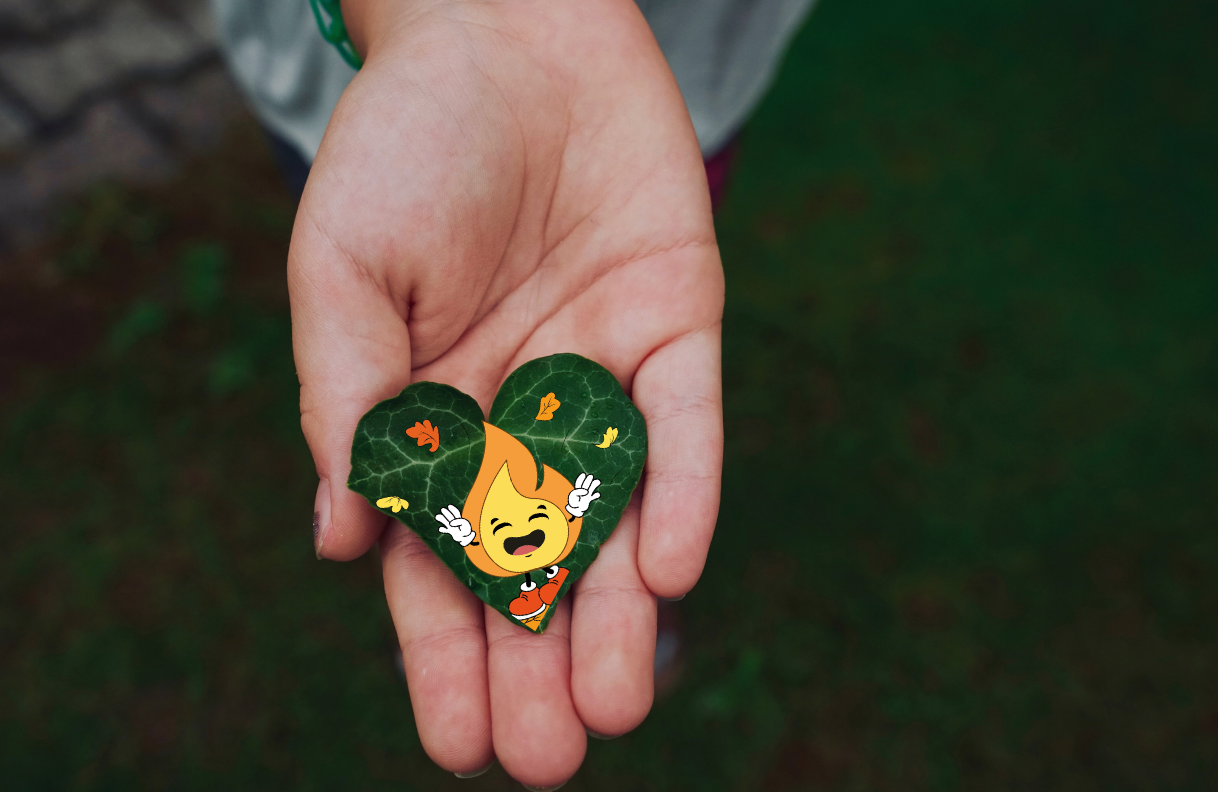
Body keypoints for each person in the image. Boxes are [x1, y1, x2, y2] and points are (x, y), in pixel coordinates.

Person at [208, 0, 812, 787]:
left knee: (652, 261)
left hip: (674, 88)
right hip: (364, 92)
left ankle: (564, 570)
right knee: (391, 326)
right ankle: (468, 562)